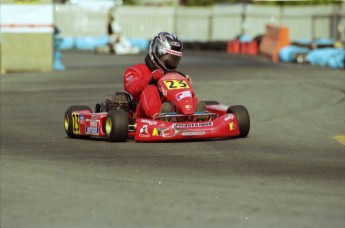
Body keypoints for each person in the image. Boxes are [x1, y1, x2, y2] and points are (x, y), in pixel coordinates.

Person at [123, 31, 205, 119]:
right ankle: (159, 116)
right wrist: (152, 79)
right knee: (151, 89)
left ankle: (195, 115)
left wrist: (185, 82)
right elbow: (133, 88)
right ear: (157, 52)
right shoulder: (135, 70)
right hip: (143, 115)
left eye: (174, 60)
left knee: (186, 91)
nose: (171, 63)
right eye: (168, 59)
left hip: (172, 110)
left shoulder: (172, 75)